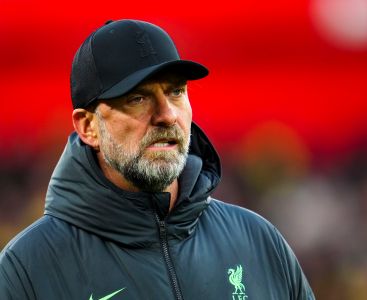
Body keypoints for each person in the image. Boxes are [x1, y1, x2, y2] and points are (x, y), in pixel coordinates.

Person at [0, 19, 315, 300]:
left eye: (176, 92)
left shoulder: (259, 240)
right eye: (137, 98)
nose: (167, 115)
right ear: (88, 127)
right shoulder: (28, 268)